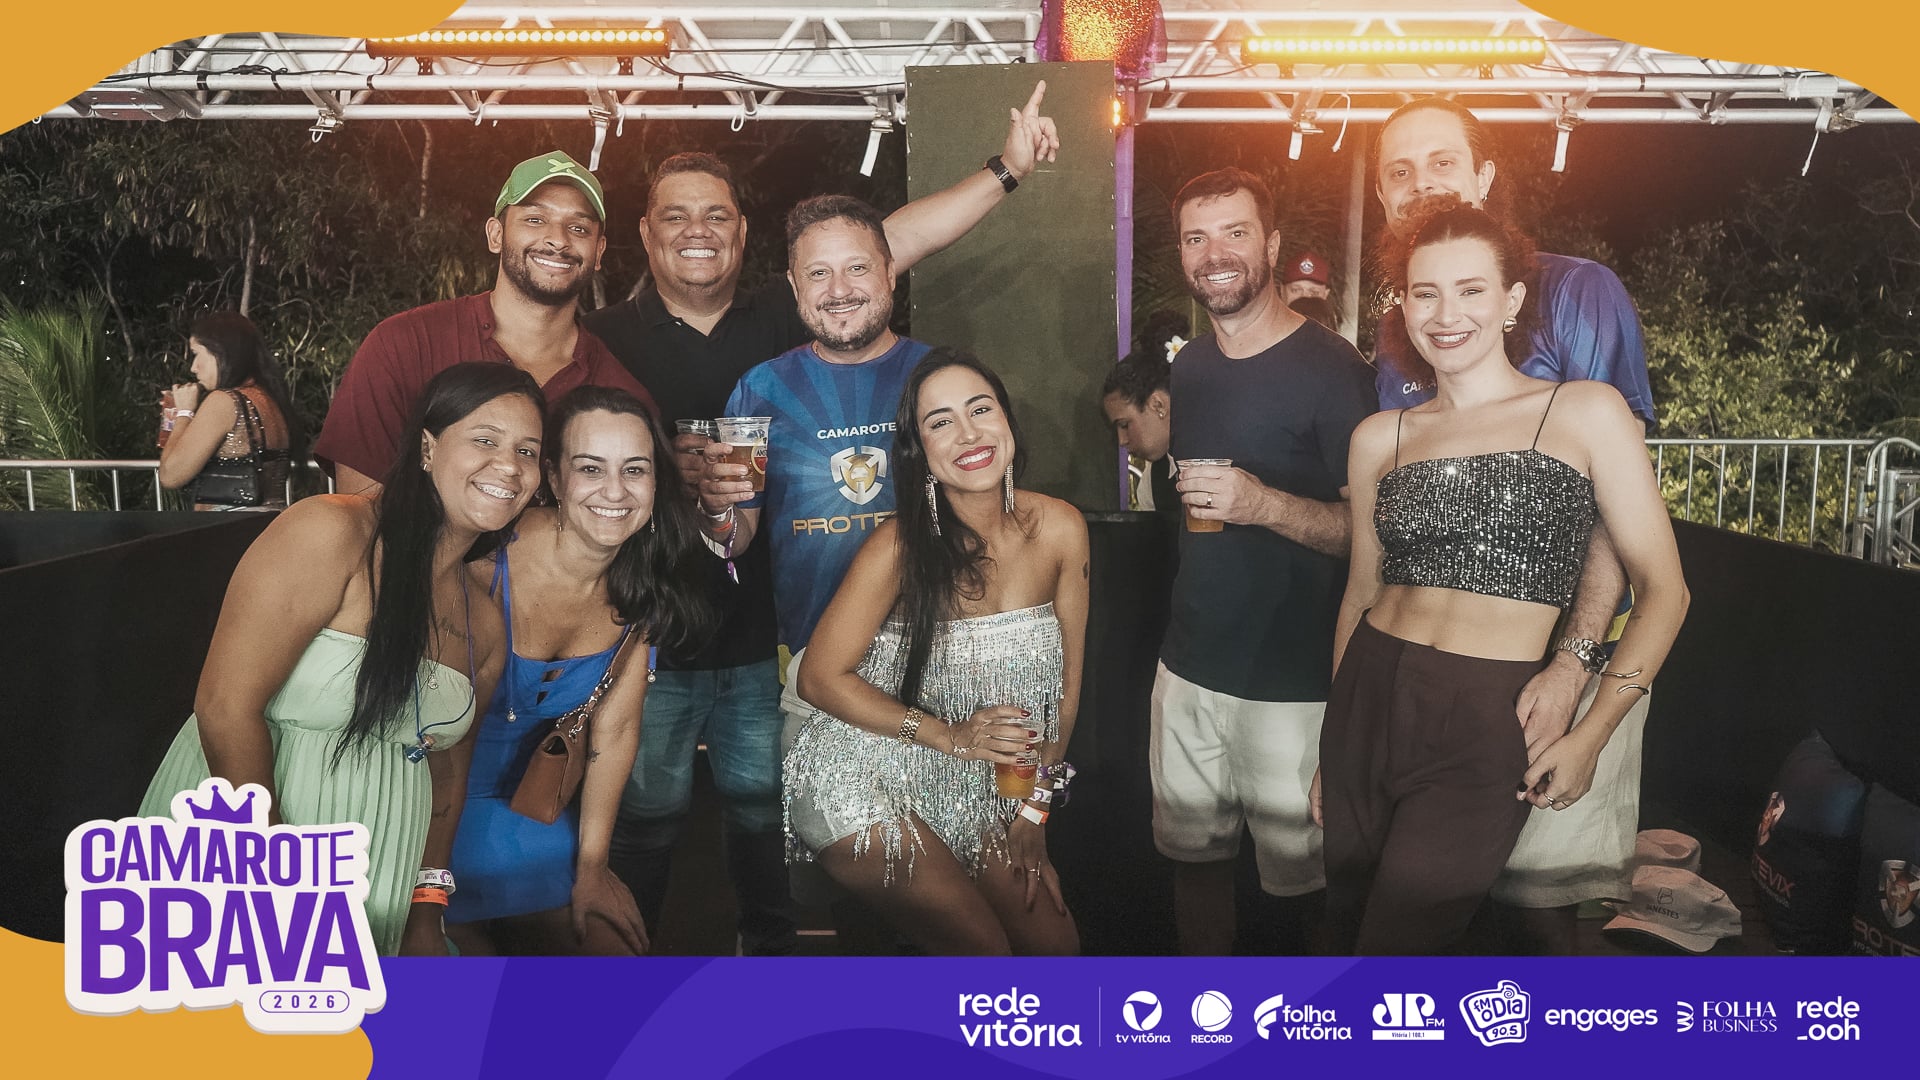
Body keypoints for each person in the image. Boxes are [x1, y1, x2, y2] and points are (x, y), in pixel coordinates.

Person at [586, 84, 1059, 953]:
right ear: (795, 289)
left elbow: (1003, 521)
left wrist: (1008, 169)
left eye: (857, 270)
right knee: (858, 888)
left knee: (1007, 918)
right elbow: (738, 536)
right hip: (822, 670)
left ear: (887, 274)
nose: (839, 289)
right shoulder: (758, 387)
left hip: (945, 662)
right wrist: (714, 516)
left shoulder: (937, 379)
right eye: (818, 275)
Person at [1315, 205, 1688, 955]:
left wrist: (1590, 734)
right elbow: (1360, 593)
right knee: (1342, 931)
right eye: (1425, 293)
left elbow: (1666, 593)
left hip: (1488, 713)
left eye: (1471, 290)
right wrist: (1331, 747)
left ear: (1512, 300)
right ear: (1404, 305)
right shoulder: (1379, 436)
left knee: (1397, 946)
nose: (1445, 314)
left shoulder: (1585, 411)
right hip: (1366, 696)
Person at [140, 363, 545, 955]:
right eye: (485, 440)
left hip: (380, 878)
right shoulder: (333, 530)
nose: (509, 465)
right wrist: (279, 883)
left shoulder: (483, 621)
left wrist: (425, 911)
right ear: (428, 447)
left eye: (528, 451)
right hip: (246, 855)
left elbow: (447, 773)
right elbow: (225, 706)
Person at [1369, 96, 1658, 929]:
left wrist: (1572, 665)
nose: (1422, 184)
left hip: (1561, 668)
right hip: (1435, 685)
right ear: (1382, 196)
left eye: (1443, 162)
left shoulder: (1576, 290)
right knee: (1429, 917)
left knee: (1540, 914)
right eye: (1400, 171)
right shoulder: (1403, 328)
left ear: (1486, 175)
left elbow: (1613, 510)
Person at [785, 349, 1086, 955]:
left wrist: (1034, 814)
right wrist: (950, 736)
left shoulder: (1061, 527)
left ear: (1007, 421)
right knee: (983, 951)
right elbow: (820, 678)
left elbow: (1066, 694)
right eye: (940, 422)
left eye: (981, 409)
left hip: (973, 781)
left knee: (1056, 950)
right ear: (920, 451)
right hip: (860, 768)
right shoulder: (897, 546)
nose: (968, 434)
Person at [1153, 169, 1376, 956]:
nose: (1214, 254)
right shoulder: (1191, 366)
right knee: (1194, 867)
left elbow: (1372, 539)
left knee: (1312, 891)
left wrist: (1263, 505)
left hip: (1295, 684)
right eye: (1196, 237)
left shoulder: (1335, 370)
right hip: (1188, 669)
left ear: (1272, 245)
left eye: (1235, 233)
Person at [445, 387, 711, 955]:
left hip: (532, 808)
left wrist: (594, 866)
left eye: (634, 470)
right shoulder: (483, 563)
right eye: (590, 468)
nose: (615, 491)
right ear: (554, 478)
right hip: (429, 809)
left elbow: (615, 733)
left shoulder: (642, 582)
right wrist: (424, 884)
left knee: (618, 961)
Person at [315, 151, 655, 496]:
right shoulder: (404, 345)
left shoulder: (621, 394)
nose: (558, 239)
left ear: (598, 251)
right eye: (535, 219)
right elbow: (358, 511)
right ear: (495, 235)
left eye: (578, 228)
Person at [157, 312, 299, 511]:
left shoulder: (224, 402)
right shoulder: (268, 399)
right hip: (271, 522)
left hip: (229, 524)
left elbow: (170, 475)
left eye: (196, 354)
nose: (193, 368)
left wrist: (184, 413)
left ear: (221, 353)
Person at [1101, 312, 1185, 521]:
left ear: (1158, 405)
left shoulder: (1226, 455)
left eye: (1124, 425)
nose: (1122, 441)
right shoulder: (1152, 479)